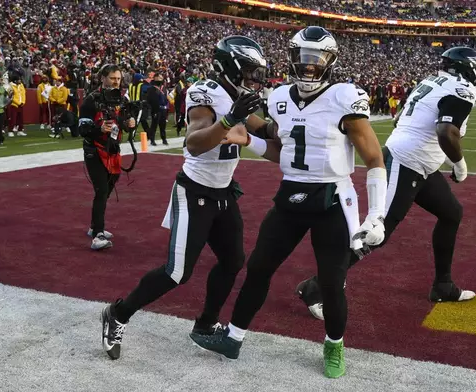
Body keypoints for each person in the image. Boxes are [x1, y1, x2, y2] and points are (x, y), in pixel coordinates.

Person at [189, 26, 387, 379]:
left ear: (330, 62)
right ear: (292, 58)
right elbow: (283, 152)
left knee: (331, 282)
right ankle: (233, 338)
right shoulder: (280, 97)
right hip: (291, 196)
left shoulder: (344, 97)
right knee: (259, 268)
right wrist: (248, 139)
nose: (309, 67)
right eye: (303, 59)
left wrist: (376, 214)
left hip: (332, 198)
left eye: (316, 60)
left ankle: (334, 345)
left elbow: (374, 158)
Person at [99, 36, 268, 361]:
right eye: (248, 71)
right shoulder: (205, 92)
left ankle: (205, 325)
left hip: (223, 191)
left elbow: (264, 128)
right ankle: (118, 314)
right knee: (177, 273)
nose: (253, 78)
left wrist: (298, 129)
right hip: (195, 191)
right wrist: (230, 120)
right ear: (229, 68)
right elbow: (193, 142)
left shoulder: (236, 96)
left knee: (233, 260)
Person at [295, 47, 476, 320]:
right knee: (376, 233)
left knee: (452, 213)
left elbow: (399, 120)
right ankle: (314, 288)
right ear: (471, 70)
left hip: (419, 166)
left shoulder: (430, 82)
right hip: (405, 163)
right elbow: (446, 131)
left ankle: (443, 285)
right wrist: (459, 163)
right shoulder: (461, 88)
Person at [78, 64, 136, 250]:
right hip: (94, 149)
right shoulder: (91, 100)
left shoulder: (122, 99)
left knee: (111, 183)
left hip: (113, 149)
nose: (116, 82)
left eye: (118, 79)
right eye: (113, 78)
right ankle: (98, 234)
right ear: (102, 78)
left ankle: (96, 224)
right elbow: (82, 128)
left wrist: (130, 123)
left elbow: (125, 123)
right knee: (101, 189)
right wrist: (98, 128)